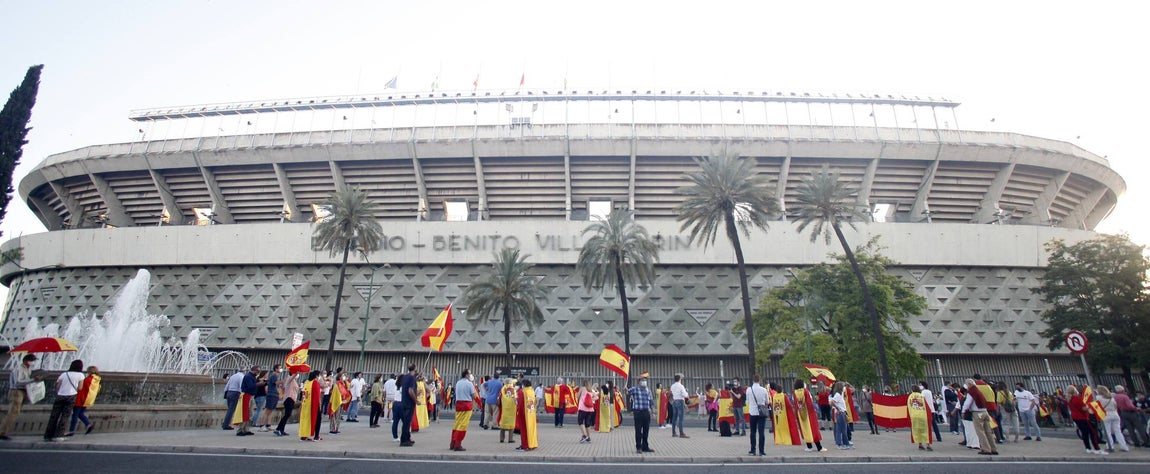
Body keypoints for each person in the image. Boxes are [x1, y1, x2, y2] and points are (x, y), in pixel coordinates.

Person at [1, 354, 40, 441]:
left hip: (22, 391)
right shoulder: (19, 369)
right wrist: (32, 380)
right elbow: (17, 382)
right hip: (16, 391)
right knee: (13, 412)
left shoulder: (27, 369)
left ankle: (3, 431)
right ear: (26, 361)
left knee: (15, 412)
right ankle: (2, 432)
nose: (33, 363)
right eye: (32, 361)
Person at [44, 359, 85, 441]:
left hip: (60, 395)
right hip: (71, 396)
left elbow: (58, 386)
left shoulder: (64, 374)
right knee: (65, 416)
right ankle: (58, 435)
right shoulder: (80, 375)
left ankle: (48, 435)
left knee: (54, 416)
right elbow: (80, 388)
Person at [1066, 384, 1106, 455]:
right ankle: (1097, 448)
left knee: (1084, 433)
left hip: (1075, 417)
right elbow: (1083, 408)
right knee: (1092, 432)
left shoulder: (1068, 399)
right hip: (1082, 417)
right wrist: (1090, 406)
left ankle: (1088, 448)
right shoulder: (1076, 398)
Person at [961, 378, 996, 455]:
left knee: (980, 432)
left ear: (969, 385)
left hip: (977, 412)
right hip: (985, 411)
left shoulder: (972, 392)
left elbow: (967, 403)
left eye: (967, 385)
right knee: (988, 432)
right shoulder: (978, 391)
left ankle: (986, 449)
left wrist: (963, 411)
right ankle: (993, 448)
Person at [67, 365, 101, 436]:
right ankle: (88, 425)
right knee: (80, 413)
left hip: (80, 399)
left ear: (90, 371)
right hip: (88, 400)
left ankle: (71, 430)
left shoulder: (88, 379)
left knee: (75, 415)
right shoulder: (97, 380)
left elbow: (80, 387)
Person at [794, 379, 826, 452]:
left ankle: (809, 446)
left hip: (801, 412)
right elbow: (809, 402)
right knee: (813, 429)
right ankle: (819, 447)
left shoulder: (795, 393)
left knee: (805, 430)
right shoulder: (805, 392)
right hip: (809, 413)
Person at [1094, 385, 1129, 452]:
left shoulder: (1098, 397)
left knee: (1107, 431)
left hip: (1106, 414)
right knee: (1118, 431)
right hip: (1114, 414)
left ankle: (1110, 446)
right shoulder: (1111, 397)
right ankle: (1124, 446)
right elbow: (1116, 406)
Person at [627, 372, 655, 453]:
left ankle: (645, 446)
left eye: (645, 380)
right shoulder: (635, 389)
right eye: (642, 380)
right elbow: (627, 392)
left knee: (646, 430)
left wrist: (653, 412)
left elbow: (651, 402)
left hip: (646, 412)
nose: (644, 382)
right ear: (639, 381)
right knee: (638, 430)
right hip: (638, 412)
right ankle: (638, 447)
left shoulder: (648, 390)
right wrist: (625, 390)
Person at [449, 369, 476, 451]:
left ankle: (453, 443)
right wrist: (473, 384)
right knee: (463, 425)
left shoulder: (458, 382)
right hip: (466, 405)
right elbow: (474, 395)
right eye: (470, 373)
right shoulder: (469, 384)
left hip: (458, 404)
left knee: (457, 424)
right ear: (467, 375)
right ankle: (458, 444)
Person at [745, 375, 770, 456]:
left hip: (752, 412)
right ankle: (761, 451)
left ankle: (753, 450)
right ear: (760, 381)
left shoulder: (749, 390)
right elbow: (767, 401)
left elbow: (747, 401)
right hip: (761, 413)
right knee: (761, 432)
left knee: (753, 432)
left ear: (753, 380)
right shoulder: (764, 390)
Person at [232, 365, 260, 436]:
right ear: (254, 370)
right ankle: (240, 430)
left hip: (251, 395)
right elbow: (250, 386)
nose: (258, 372)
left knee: (249, 413)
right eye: (258, 371)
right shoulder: (248, 376)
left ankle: (246, 429)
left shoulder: (252, 376)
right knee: (244, 412)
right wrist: (258, 384)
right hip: (246, 395)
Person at [907, 384, 933, 451]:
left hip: (914, 415)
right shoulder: (921, 396)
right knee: (926, 430)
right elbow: (926, 406)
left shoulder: (910, 396)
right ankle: (928, 445)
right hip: (922, 415)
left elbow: (908, 407)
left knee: (917, 430)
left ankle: (920, 444)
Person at [515, 379, 539, 451]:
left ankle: (525, 445)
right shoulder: (531, 391)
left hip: (523, 414)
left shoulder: (522, 392)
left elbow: (519, 403)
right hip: (531, 413)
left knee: (524, 431)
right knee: (531, 430)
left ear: (523, 385)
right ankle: (531, 444)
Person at [275, 371, 300, 436]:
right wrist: (296, 372)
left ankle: (281, 429)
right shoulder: (289, 378)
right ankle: (279, 429)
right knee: (287, 414)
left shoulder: (294, 381)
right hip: (289, 398)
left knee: (287, 414)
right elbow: (292, 377)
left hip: (292, 398)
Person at [299, 370, 322, 441]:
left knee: (306, 420)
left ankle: (304, 435)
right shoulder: (315, 383)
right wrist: (319, 405)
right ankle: (316, 436)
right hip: (314, 405)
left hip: (306, 405)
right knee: (317, 420)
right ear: (316, 376)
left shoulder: (307, 383)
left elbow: (303, 394)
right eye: (319, 375)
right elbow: (317, 396)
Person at [398, 363, 417, 446]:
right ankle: (404, 440)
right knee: (407, 422)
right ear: (415, 368)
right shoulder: (412, 378)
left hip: (404, 401)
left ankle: (407, 437)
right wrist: (416, 400)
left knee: (406, 422)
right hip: (409, 403)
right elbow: (410, 391)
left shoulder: (405, 377)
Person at [258, 365, 280, 431]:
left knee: (271, 410)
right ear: (276, 369)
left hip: (274, 394)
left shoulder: (275, 376)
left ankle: (268, 424)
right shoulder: (273, 376)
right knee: (267, 410)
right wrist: (285, 380)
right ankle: (261, 425)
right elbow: (276, 383)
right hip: (271, 394)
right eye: (280, 368)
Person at [830, 382, 851, 449]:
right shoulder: (838, 395)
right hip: (841, 412)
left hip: (840, 412)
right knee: (843, 429)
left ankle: (840, 443)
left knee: (839, 429)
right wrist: (837, 408)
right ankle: (845, 443)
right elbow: (831, 402)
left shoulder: (839, 393)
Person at [498, 377, 518, 444]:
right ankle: (510, 439)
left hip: (504, 408)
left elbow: (499, 397)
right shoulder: (512, 389)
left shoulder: (503, 389)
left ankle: (501, 439)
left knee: (503, 424)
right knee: (511, 425)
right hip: (511, 409)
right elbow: (515, 397)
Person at [576, 379, 597, 443]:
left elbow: (577, 396)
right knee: (587, 423)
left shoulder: (582, 388)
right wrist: (591, 399)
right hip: (590, 409)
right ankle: (589, 437)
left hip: (583, 408)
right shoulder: (590, 390)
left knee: (580, 421)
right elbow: (596, 397)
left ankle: (584, 435)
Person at [328, 370, 347, 434]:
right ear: (340, 377)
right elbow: (336, 394)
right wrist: (340, 400)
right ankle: (332, 429)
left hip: (341, 401)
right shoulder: (337, 384)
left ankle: (336, 428)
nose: (344, 377)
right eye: (343, 376)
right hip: (336, 401)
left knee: (338, 416)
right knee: (334, 415)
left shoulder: (343, 384)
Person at [670, 373, 689, 438]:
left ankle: (674, 432)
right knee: (681, 418)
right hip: (680, 401)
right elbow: (684, 394)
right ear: (680, 379)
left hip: (674, 401)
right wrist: (687, 393)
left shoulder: (672, 386)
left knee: (674, 417)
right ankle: (681, 433)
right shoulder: (681, 386)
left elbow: (672, 393)